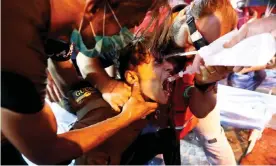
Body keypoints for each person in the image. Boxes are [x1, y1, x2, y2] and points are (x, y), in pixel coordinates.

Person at [1, 0, 161, 164]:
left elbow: (66, 75)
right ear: (94, 8)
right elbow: (46, 153)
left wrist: (96, 97)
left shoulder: (58, 26)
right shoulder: (18, 50)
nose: (121, 34)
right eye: (125, 24)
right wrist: (126, 117)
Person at [58, 40, 180, 165]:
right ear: (132, 77)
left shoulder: (151, 109)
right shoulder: (105, 111)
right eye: (157, 62)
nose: (172, 67)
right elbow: (59, 153)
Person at [156, 0, 238, 164]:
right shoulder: (151, 23)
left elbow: (201, 111)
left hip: (186, 95)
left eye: (209, 49)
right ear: (185, 15)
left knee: (214, 139)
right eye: (197, 43)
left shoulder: (207, 56)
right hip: (158, 109)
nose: (198, 55)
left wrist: (203, 85)